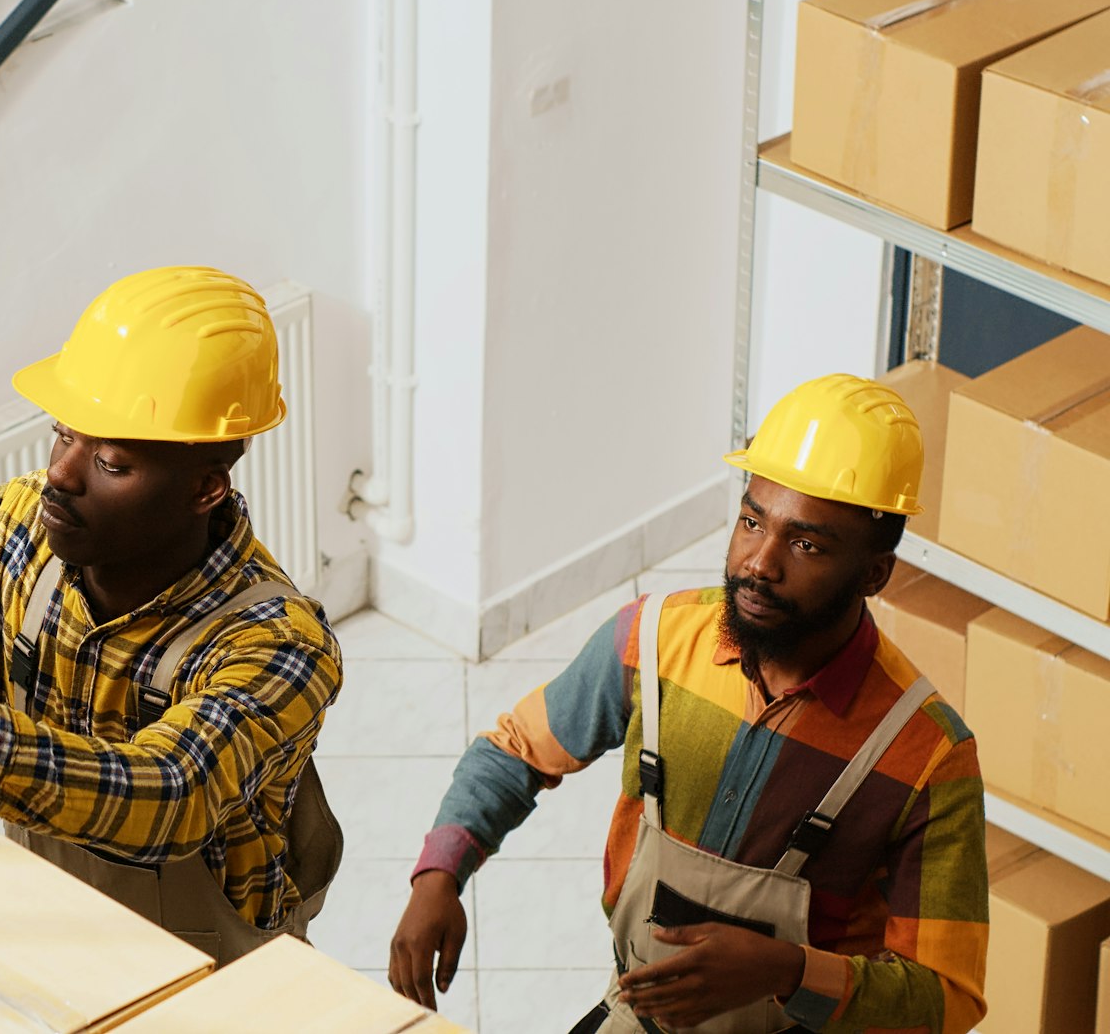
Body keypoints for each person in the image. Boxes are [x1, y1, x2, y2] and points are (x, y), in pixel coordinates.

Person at [388, 374, 986, 1033]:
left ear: (874, 572)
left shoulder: (926, 753)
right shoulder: (654, 640)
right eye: (752, 520)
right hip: (639, 1017)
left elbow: (945, 996)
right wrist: (440, 873)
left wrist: (786, 969)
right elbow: (516, 752)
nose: (759, 561)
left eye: (806, 543)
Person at [0, 265, 344, 963]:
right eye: (63, 435)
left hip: (218, 968)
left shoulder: (278, 641)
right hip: (56, 919)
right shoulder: (21, 529)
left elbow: (168, 796)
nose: (61, 472)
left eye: (110, 462)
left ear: (205, 489)